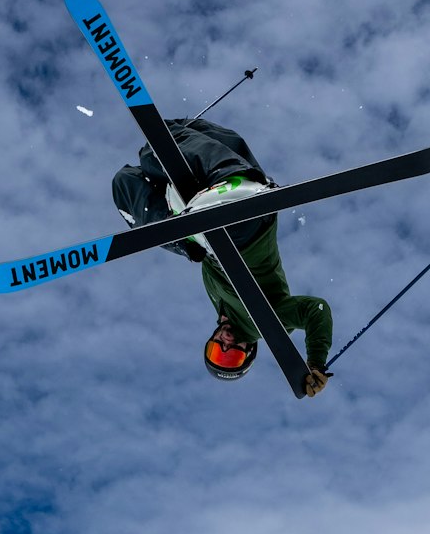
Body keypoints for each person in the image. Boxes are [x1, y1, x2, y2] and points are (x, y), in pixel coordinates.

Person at [112, 117, 331, 395]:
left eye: (217, 352)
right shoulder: (266, 323)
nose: (226, 344)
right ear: (249, 350)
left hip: (204, 228)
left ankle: (185, 217)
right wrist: (316, 362)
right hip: (247, 226)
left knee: (125, 181)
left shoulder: (219, 303)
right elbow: (316, 311)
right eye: (233, 357)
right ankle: (225, 183)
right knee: (154, 152)